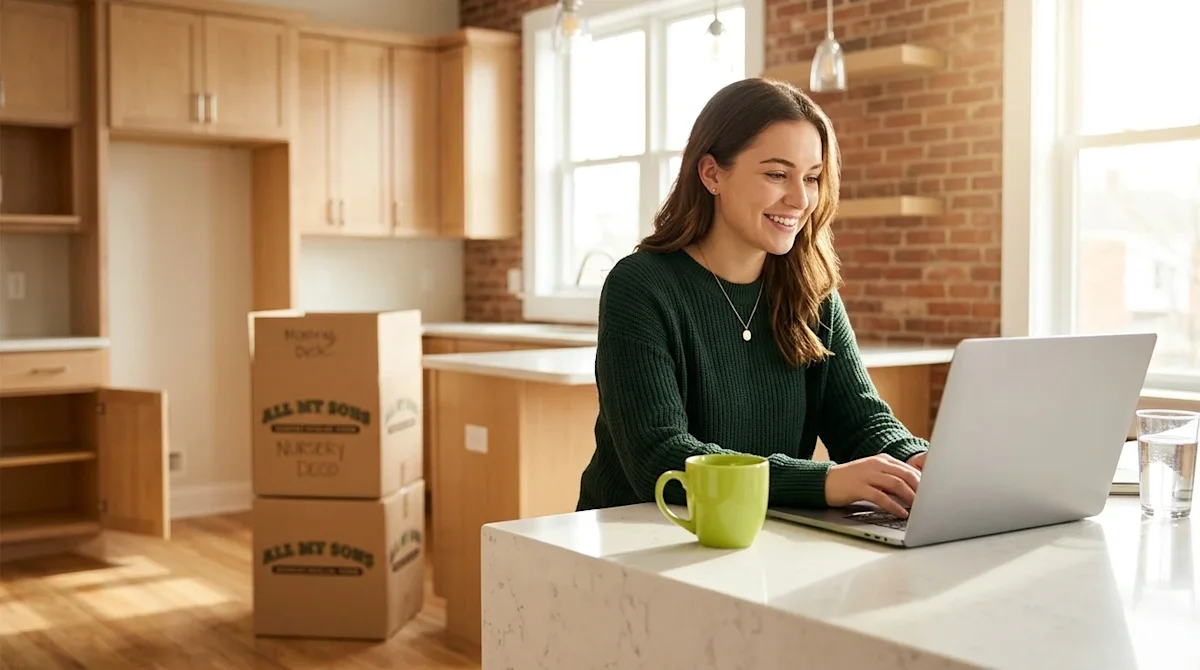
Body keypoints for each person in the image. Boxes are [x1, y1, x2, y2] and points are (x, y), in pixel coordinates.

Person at [575, 77, 927, 520]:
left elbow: (859, 420)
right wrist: (821, 481)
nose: (800, 199)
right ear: (711, 174)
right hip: (642, 540)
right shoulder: (641, 285)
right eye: (777, 174)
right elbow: (660, 459)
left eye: (813, 177)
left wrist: (916, 462)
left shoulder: (810, 291)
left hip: (759, 538)